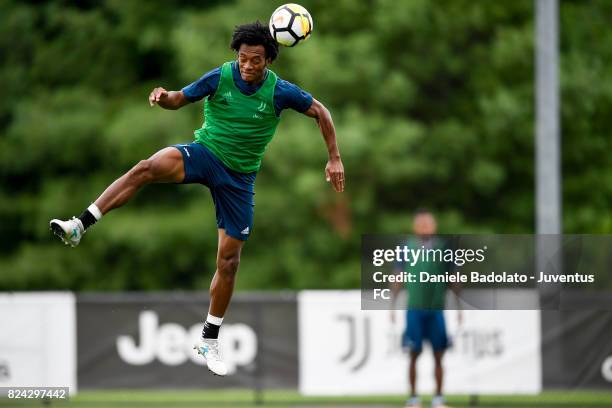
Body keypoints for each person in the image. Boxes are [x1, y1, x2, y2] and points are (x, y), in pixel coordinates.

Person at [49, 21, 344, 376]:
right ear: (236, 55)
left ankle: (209, 338)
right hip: (205, 153)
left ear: (269, 61)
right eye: (243, 59)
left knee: (229, 261)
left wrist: (334, 157)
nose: (248, 67)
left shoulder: (281, 92)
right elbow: (179, 99)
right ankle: (81, 224)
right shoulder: (219, 76)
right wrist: (163, 97)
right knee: (147, 167)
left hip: (239, 179)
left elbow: (321, 112)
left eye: (256, 61)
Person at [391, 210, 461, 408]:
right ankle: (413, 397)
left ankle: (439, 397)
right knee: (414, 353)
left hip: (436, 309)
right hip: (414, 309)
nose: (424, 227)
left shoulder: (443, 248)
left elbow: (454, 278)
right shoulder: (406, 247)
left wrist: (459, 307)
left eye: (428, 223)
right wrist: (392, 306)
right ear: (414, 226)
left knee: (439, 353)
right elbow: (397, 276)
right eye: (420, 223)